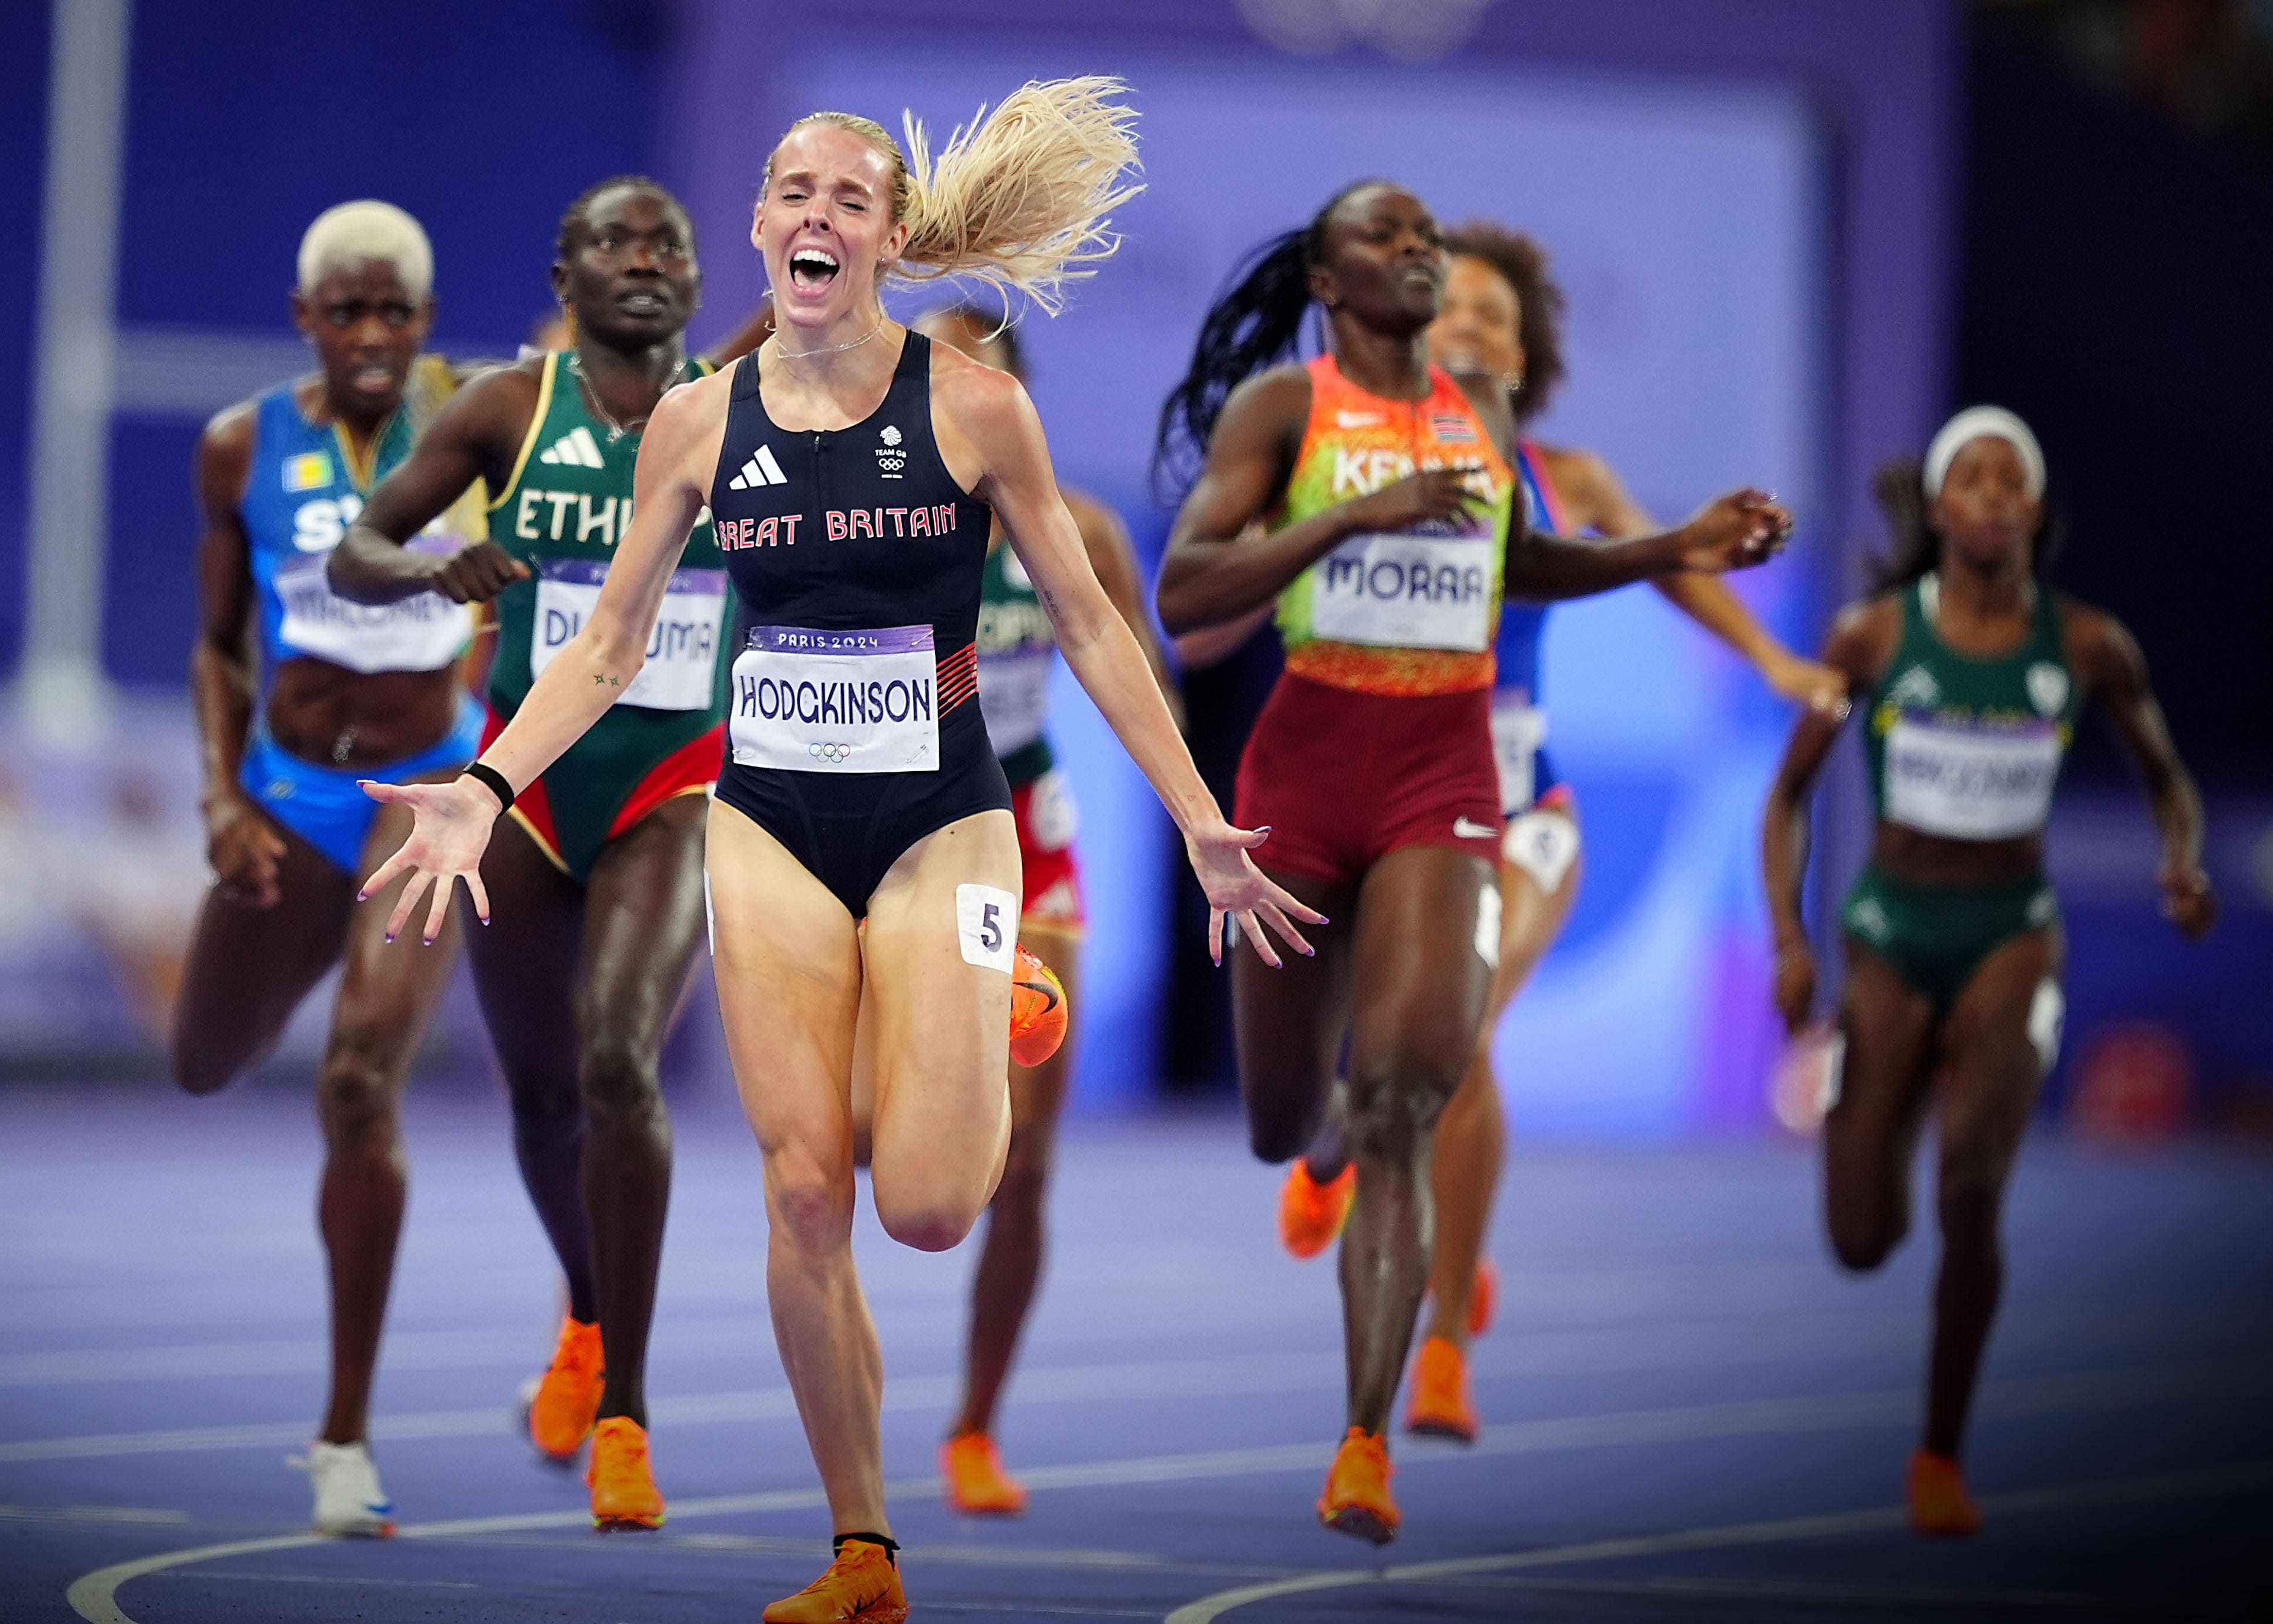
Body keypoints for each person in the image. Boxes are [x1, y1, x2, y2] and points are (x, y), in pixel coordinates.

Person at [360, 80, 1318, 1623]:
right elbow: (606, 646)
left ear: (885, 239)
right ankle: (862, 1550)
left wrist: (1201, 819)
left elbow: (1089, 625)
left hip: (944, 812)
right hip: (770, 819)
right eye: (790, 193)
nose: (815, 216)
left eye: (847, 199)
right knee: (806, 1197)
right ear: (759, 227)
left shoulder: (971, 404)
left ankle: (994, 1025)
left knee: (928, 1204)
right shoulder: (698, 419)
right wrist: (484, 779)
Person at [1154, 179, 1790, 1545]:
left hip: (1446, 779)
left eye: (1427, 239)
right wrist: (1344, 522)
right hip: (1303, 773)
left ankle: (1362, 1439)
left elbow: (1525, 563)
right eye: (1388, 239)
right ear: (1327, 282)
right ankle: (1304, 1142)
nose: (1418, 254)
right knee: (1289, 1116)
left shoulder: (1481, 418)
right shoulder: (1285, 413)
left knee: (1401, 1098)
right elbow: (1186, 590)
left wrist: (1667, 548)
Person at [1267, 222, 1850, 1444]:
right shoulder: (1357, 451)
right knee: (1394, 1040)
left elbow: (1667, 566)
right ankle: (1345, 1147)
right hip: (1387, 804)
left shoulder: (1562, 475)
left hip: (1522, 811)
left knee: (1460, 1030)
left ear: (1524, 361)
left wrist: (1769, 655)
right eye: (1455, 311)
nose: (1473, 328)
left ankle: (1440, 1351)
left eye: (1498, 320)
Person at [328, 176, 742, 1532]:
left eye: (667, 245)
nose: (643, 259)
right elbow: (359, 546)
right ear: (565, 277)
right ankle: (584, 1309)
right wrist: (431, 570)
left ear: (693, 281)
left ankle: (625, 1406)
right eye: (613, 241)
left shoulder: (746, 405)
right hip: (522, 782)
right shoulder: (509, 408)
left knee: (622, 1056)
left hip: (677, 775)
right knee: (545, 1098)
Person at [1763, 407, 2213, 1535]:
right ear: (1943, 506)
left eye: (2015, 479)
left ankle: (1940, 1457)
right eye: (1974, 475)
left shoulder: (2090, 644)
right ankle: (1897, 1094)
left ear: (2038, 511)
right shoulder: (1870, 637)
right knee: (1863, 1240)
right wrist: (1790, 938)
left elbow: (2166, 776)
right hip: (1888, 932)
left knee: (1974, 1190)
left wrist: (2182, 861)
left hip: (2013, 931)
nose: (1997, 494)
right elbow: (1787, 799)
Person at [172, 200, 484, 1537]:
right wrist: (219, 792)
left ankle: (344, 1436)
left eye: (392, 313)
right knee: (204, 1056)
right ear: (305, 318)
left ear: (423, 322)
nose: (368, 337)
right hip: (290, 791)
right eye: (343, 312)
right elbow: (215, 643)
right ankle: (286, 939)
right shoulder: (240, 446)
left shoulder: (481, 426)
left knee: (361, 1080)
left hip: (422, 799)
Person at [904, 302, 1183, 1515]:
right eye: (924, 367)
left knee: (1023, 1156)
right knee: (865, 1138)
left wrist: (1206, 821)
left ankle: (973, 1424)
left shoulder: (1079, 531)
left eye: (973, 366)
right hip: (895, 820)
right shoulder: (867, 517)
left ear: (1013, 396)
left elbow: (1145, 692)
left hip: (1023, 820)